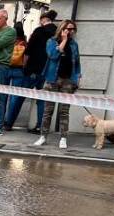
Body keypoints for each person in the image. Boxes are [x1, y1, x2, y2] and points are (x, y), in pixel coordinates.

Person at [4, 10, 57, 133]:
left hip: (33, 70)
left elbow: (28, 50)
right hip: (48, 71)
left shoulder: (39, 31)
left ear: (43, 20)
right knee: (42, 100)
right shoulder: (57, 32)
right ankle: (40, 126)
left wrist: (25, 66)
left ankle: (9, 123)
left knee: (18, 96)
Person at [32, 19, 81, 149]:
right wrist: (63, 41)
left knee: (64, 111)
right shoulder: (51, 42)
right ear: (62, 29)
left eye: (72, 29)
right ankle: (43, 136)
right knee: (48, 110)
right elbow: (53, 55)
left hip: (67, 81)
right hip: (52, 79)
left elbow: (77, 63)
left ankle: (63, 137)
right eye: (68, 29)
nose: (70, 32)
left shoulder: (74, 45)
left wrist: (77, 79)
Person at [1, 24, 27, 130]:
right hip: (19, 70)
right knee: (14, 98)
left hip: (6, 68)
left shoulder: (8, 42)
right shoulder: (25, 43)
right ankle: (9, 123)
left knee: (2, 95)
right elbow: (26, 59)